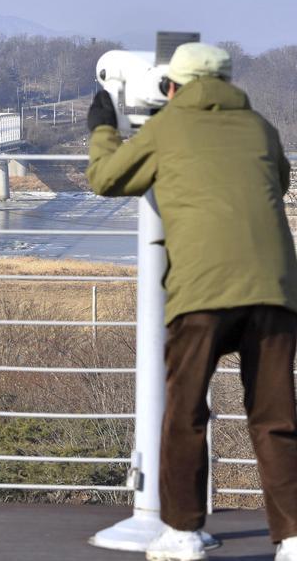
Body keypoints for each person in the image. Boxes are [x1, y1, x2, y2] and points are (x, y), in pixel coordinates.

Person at [86, 42, 297, 561]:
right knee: (275, 418)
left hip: (202, 292)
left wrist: (102, 126)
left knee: (184, 411)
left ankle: (182, 532)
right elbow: (280, 180)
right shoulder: (261, 130)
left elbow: (106, 178)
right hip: (275, 290)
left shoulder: (167, 128)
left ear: (171, 87)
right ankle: (293, 538)